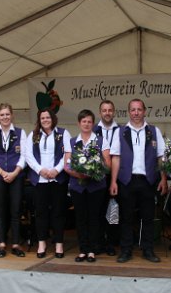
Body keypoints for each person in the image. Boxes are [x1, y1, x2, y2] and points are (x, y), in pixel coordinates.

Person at [109, 99, 167, 263]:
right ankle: (126, 250)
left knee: (148, 217)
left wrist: (163, 179)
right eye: (133, 110)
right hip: (127, 180)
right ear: (129, 112)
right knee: (126, 218)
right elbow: (115, 158)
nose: (136, 113)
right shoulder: (120, 132)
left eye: (139, 109)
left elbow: (161, 157)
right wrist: (113, 181)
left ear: (144, 111)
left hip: (148, 181)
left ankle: (148, 250)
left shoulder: (154, 131)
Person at [65, 109, 111, 263]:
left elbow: (108, 163)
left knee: (94, 217)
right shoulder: (72, 141)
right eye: (84, 121)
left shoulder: (101, 140)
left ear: (93, 124)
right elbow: (66, 165)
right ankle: (83, 250)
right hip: (77, 186)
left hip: (96, 186)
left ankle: (92, 250)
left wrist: (93, 171)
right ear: (79, 123)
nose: (86, 124)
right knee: (80, 218)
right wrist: (80, 175)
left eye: (89, 121)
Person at [25, 109, 71, 259]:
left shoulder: (63, 133)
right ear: (39, 120)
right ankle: (42, 243)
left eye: (48, 117)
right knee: (41, 213)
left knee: (58, 212)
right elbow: (28, 156)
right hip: (40, 180)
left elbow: (67, 154)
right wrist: (40, 170)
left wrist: (57, 170)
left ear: (53, 118)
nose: (45, 120)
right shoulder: (33, 135)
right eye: (42, 118)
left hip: (58, 179)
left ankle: (59, 244)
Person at [0, 103, 27, 258]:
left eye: (7, 114)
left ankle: (15, 243)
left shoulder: (20, 133)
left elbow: (24, 156)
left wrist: (15, 173)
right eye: (2, 115)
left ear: (12, 115)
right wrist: (3, 173)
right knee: (0, 211)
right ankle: (1, 243)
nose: (5, 117)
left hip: (16, 176)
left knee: (15, 210)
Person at [93, 99, 120, 256]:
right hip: (98, 177)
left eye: (110, 110)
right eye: (104, 110)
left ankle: (111, 243)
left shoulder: (122, 130)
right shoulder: (93, 130)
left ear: (114, 112)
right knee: (98, 210)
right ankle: (99, 242)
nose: (107, 113)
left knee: (113, 210)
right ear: (100, 113)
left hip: (117, 177)